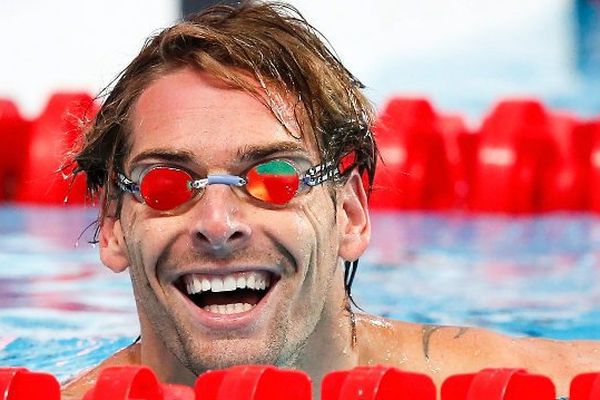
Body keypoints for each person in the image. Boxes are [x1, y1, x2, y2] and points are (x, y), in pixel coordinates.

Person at [62, 1, 600, 399]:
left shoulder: (511, 384)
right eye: (168, 184)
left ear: (350, 214)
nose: (218, 223)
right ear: (112, 223)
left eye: (274, 177)